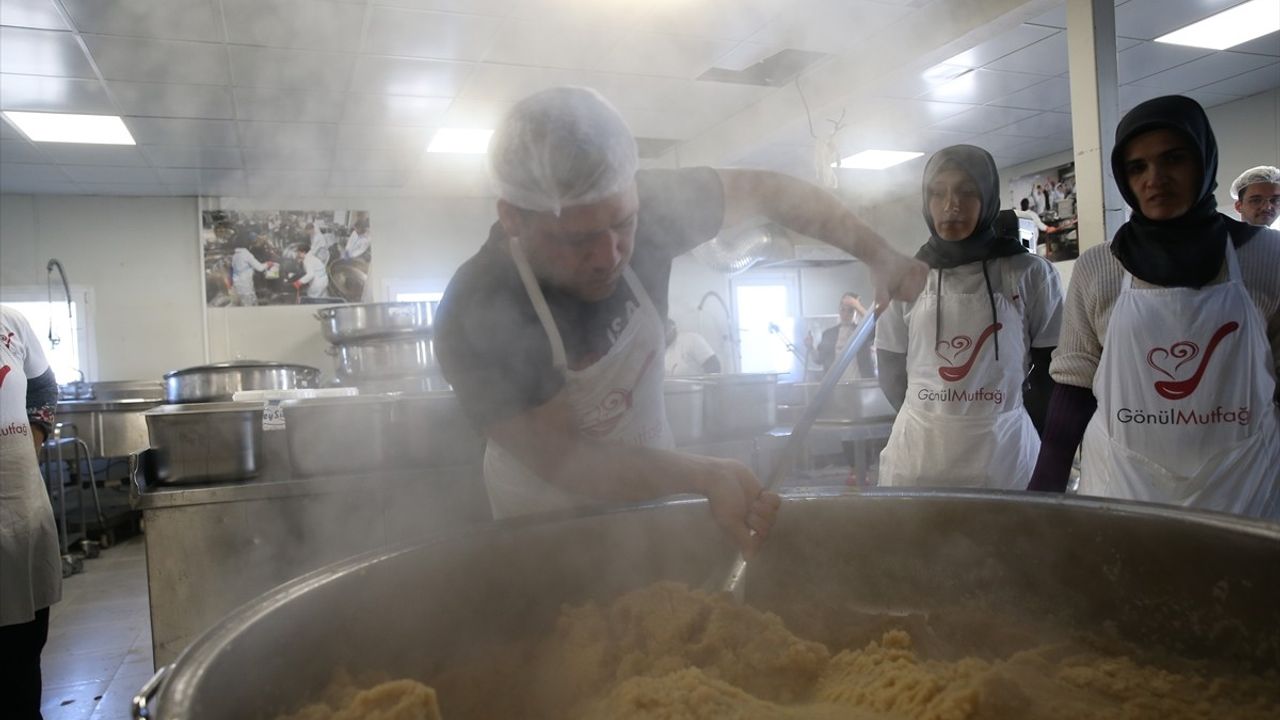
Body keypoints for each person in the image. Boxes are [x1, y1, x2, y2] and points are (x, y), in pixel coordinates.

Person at [434, 86, 928, 556]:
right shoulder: (479, 306)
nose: (610, 256)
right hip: (546, 530)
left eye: (622, 223)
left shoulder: (656, 206)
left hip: (655, 505)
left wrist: (878, 253)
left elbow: (772, 192)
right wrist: (700, 474)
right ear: (514, 218)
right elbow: (565, 459)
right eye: (577, 240)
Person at [1028, 96, 1280, 519]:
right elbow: (1073, 385)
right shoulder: (1100, 266)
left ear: (1203, 162)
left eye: (1174, 159)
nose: (1155, 178)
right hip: (1122, 489)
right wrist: (1040, 498)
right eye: (1137, 167)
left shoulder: (1267, 258)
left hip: (1244, 490)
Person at [875, 145, 1064, 488]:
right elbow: (889, 366)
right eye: (938, 193)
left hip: (1003, 458)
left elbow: (1054, 369)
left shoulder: (1030, 273)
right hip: (918, 459)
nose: (951, 205)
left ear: (988, 196)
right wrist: (936, 417)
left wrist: (1011, 416)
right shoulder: (903, 277)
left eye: (966, 191)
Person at [0, 305, 61, 718]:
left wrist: (34, 436)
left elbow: (42, 387)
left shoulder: (9, 321)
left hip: (18, 504)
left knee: (22, 646)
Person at [811, 292, 875, 379]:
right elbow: (819, 360)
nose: (845, 314)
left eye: (850, 311)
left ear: (856, 312)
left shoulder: (863, 332)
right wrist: (810, 347)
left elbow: (879, 329)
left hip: (861, 384)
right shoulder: (829, 334)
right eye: (842, 310)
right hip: (835, 386)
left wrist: (857, 306)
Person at [229, 231, 274, 307]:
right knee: (249, 307)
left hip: (237, 285)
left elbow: (233, 270)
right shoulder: (246, 254)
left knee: (240, 306)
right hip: (246, 287)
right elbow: (260, 268)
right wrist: (268, 264)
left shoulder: (235, 256)